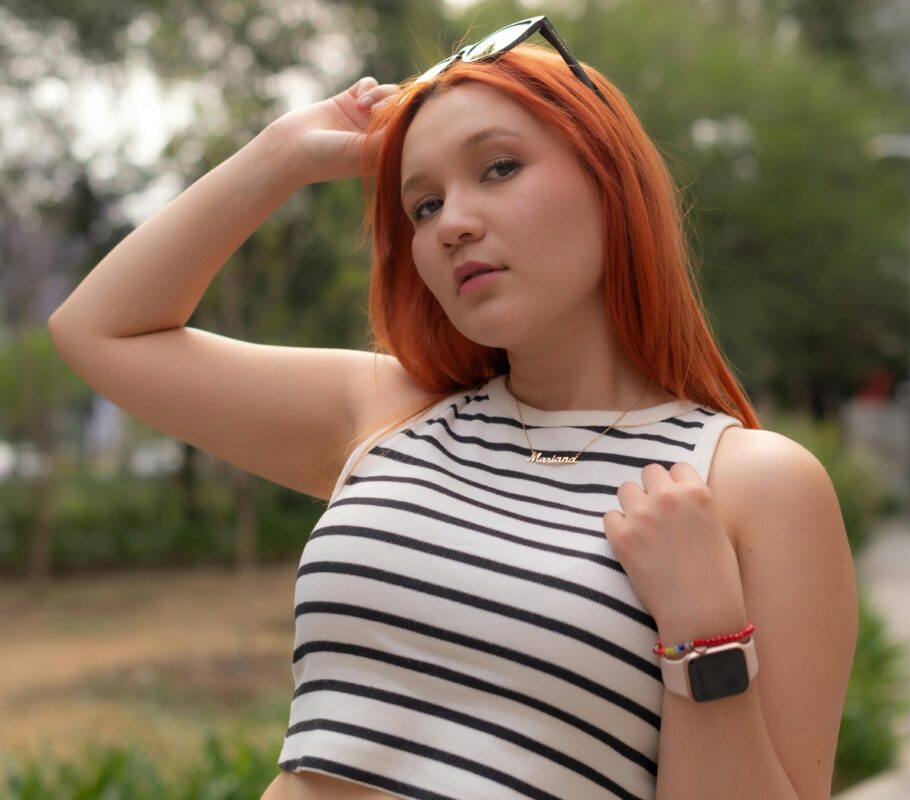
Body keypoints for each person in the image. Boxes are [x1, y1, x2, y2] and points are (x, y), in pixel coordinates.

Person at [49, 15, 858, 800]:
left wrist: (704, 630)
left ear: (609, 180)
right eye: (423, 205)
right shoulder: (391, 412)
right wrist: (282, 156)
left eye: (499, 168)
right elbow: (99, 331)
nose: (452, 226)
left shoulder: (752, 484)